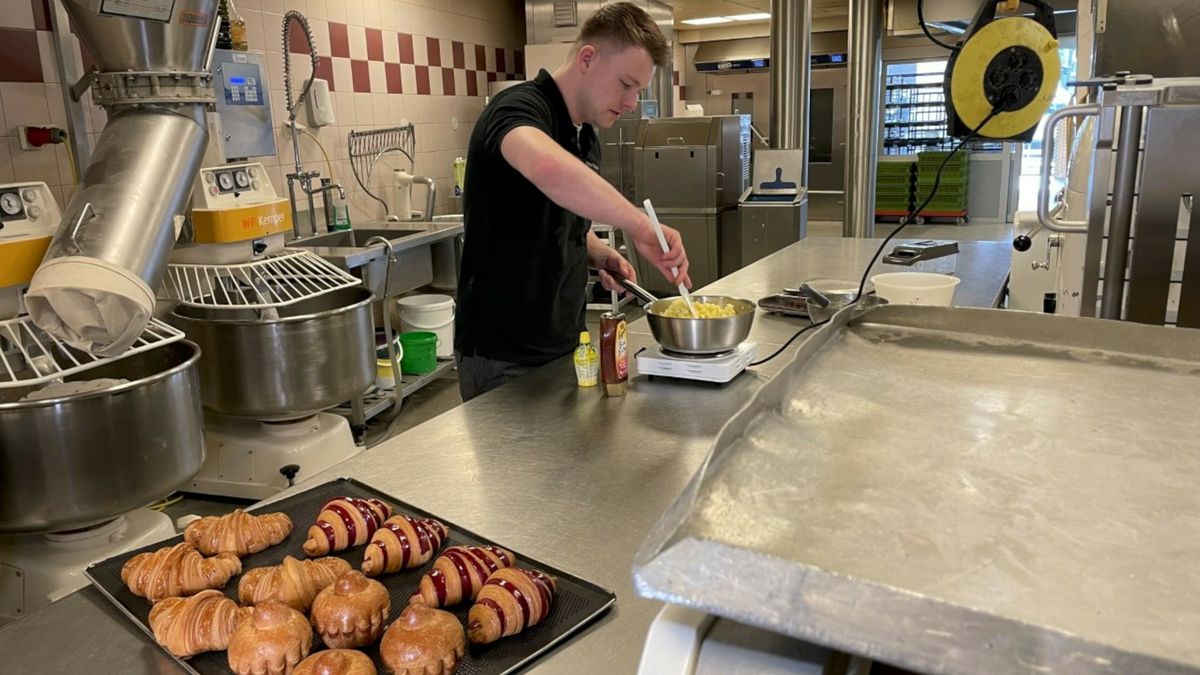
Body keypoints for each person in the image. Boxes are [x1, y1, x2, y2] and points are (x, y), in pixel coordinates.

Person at [455, 2, 691, 401]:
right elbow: (546, 167)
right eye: (626, 84)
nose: (632, 102)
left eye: (638, 90)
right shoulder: (518, 108)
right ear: (587, 58)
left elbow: (558, 219)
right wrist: (637, 224)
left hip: (564, 343)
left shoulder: (584, 136)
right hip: (503, 356)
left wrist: (599, 253)